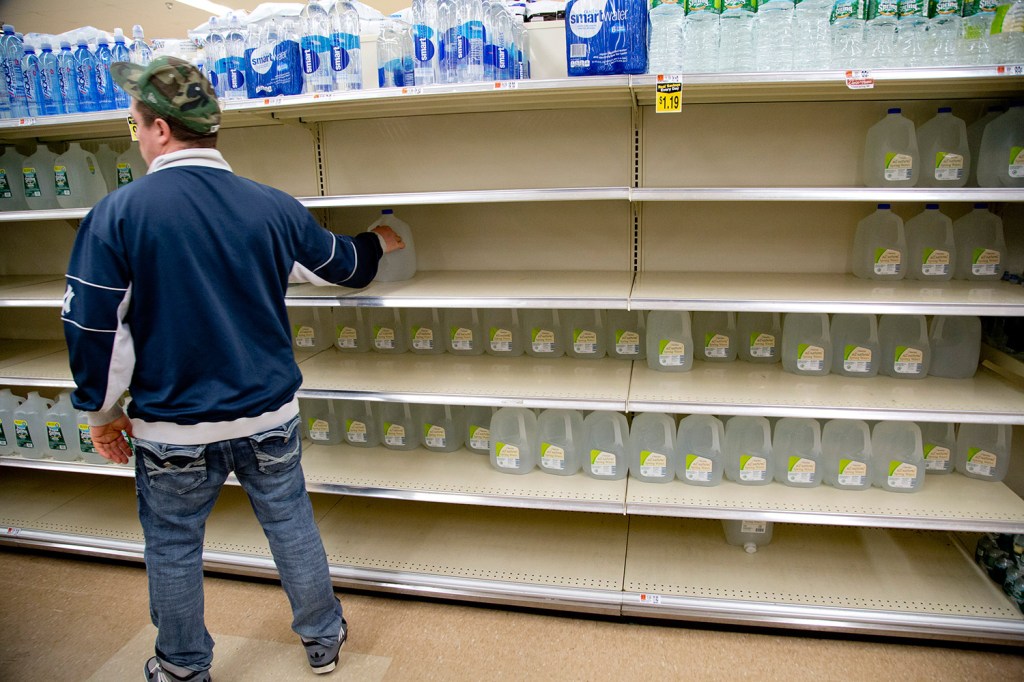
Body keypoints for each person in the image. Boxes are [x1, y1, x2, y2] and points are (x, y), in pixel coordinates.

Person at [61, 56, 403, 682]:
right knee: (291, 522)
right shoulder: (269, 207)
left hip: (173, 430)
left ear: (161, 128)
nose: (134, 134)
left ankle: (183, 667)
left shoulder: (117, 217)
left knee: (172, 546)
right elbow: (343, 266)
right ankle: (324, 640)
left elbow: (94, 332)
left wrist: (103, 414)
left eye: (134, 122)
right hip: (270, 416)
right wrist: (379, 238)